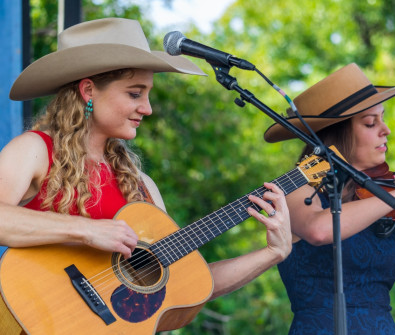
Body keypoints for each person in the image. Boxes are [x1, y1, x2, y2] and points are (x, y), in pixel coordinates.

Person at [0, 17, 291, 326]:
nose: (148, 108)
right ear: (88, 90)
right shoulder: (35, 150)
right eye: (135, 94)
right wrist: (87, 230)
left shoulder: (142, 187)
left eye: (148, 94)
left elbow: (183, 290)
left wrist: (271, 253)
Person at [263, 63, 395, 334]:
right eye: (371, 122)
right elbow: (320, 230)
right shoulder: (297, 191)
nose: (386, 130)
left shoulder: (393, 217)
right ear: (336, 135)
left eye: (382, 118)